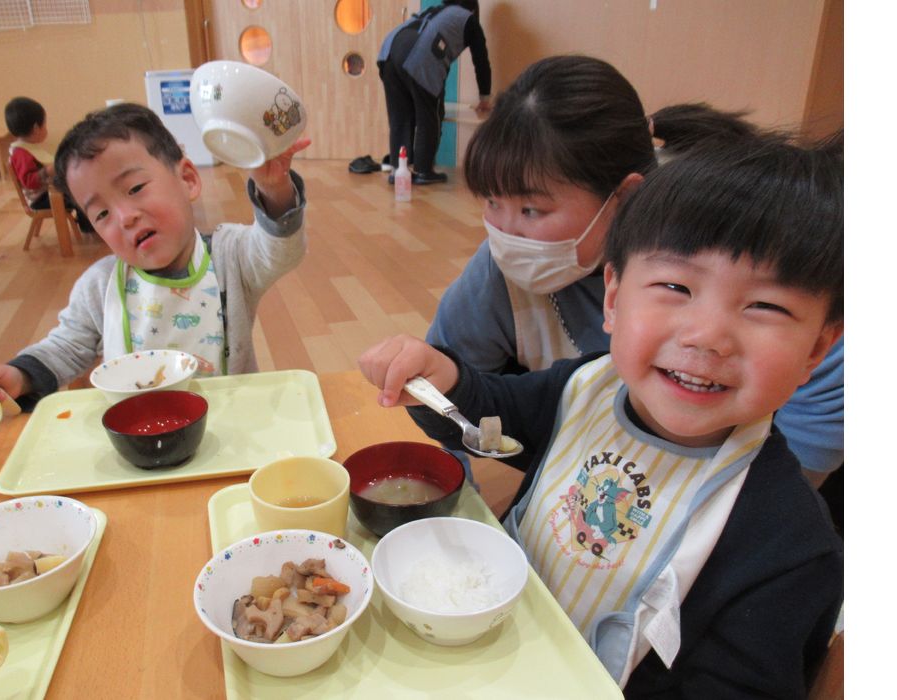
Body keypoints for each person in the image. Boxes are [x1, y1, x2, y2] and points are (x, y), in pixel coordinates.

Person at [358, 136, 844, 697]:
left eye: (765, 306)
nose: (708, 336)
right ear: (613, 297)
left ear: (817, 349)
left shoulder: (788, 546)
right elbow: (493, 419)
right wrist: (444, 380)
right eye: (676, 286)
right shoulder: (588, 385)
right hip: (475, 647)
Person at [426, 55, 844, 486]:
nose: (506, 232)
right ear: (613, 294)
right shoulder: (500, 270)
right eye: (492, 202)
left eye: (532, 209)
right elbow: (454, 388)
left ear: (625, 197)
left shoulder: (751, 255)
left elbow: (805, 457)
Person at [0, 103, 310, 410]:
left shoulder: (229, 255)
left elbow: (279, 252)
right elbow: (66, 348)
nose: (124, 217)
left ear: (187, 179)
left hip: (234, 423)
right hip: (140, 435)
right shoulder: (100, 285)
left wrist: (274, 188)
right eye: (102, 214)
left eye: (135, 189)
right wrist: (20, 375)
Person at [377, 0, 491, 185]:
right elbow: (481, 61)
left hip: (388, 51)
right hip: (419, 55)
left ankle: (398, 170)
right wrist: (485, 98)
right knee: (430, 116)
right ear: (473, 8)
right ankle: (423, 171)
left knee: (400, 117)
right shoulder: (468, 19)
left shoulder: (436, 11)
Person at [4, 96, 94, 233]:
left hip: (47, 193)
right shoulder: (21, 153)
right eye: (45, 124)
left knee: (80, 188)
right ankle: (88, 227)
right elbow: (29, 182)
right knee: (80, 194)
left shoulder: (27, 148)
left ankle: (87, 224)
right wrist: (47, 171)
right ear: (36, 128)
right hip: (41, 199)